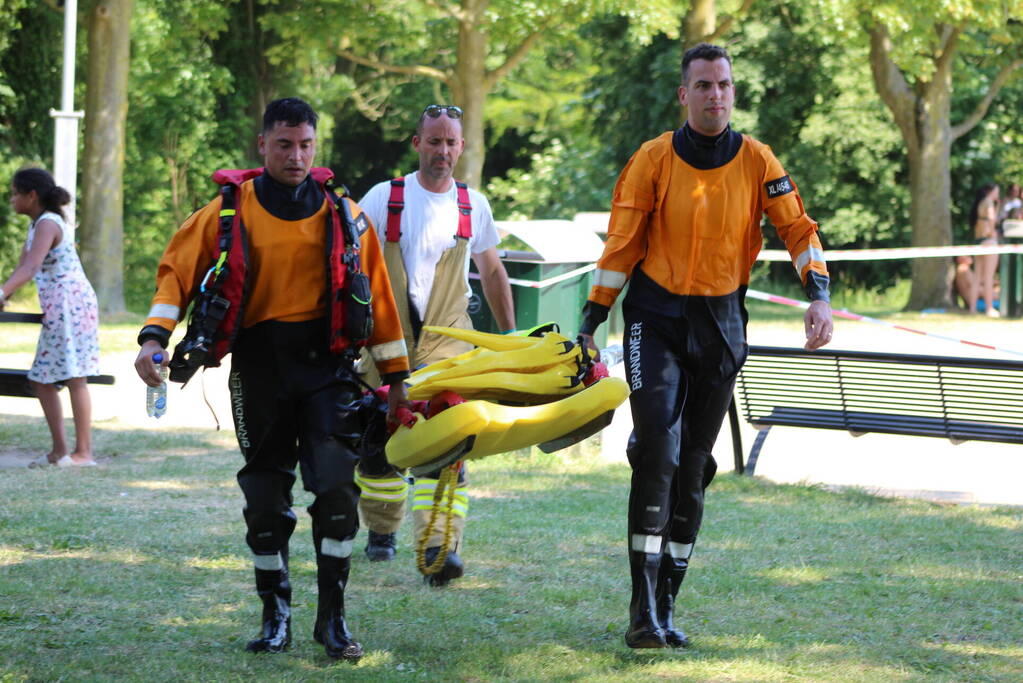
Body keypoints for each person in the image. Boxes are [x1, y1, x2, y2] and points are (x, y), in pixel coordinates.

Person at [133, 98, 411, 661]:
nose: (296, 155)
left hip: (329, 370)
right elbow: (176, 273)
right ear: (263, 145)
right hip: (259, 368)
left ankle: (332, 620)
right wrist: (153, 338)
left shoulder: (344, 213)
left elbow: (379, 294)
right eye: (284, 144)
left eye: (306, 144)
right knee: (264, 496)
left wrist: (398, 377)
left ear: (316, 145)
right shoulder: (228, 212)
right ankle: (274, 612)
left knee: (336, 491)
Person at [577, 43, 833, 649]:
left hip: (722, 323)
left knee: (692, 468)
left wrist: (818, 293)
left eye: (724, 84)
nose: (715, 94)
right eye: (703, 85)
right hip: (655, 318)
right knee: (658, 453)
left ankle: (667, 602)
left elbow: (799, 228)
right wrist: (591, 321)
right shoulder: (654, 158)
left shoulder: (759, 160)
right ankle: (642, 612)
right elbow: (621, 245)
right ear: (683, 94)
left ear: (733, 92)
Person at [354, 104, 515, 586]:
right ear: (417, 143)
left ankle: (440, 549)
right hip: (388, 339)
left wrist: (508, 341)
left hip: (449, 340)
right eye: (434, 140)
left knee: (448, 445)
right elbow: (350, 262)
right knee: (376, 448)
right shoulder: (385, 198)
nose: (443, 150)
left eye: (451, 142)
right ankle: (382, 530)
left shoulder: (474, 205)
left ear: (461, 147)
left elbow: (491, 272)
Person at [1, 168, 99, 468]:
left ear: (32, 196)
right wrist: (6, 295)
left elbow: (31, 269)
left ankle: (83, 453)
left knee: (75, 377)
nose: (12, 199)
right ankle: (59, 452)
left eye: (16, 193)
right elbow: (23, 267)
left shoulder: (47, 223)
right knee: (42, 379)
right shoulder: (36, 225)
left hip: (70, 305)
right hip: (58, 307)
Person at [970, 182, 1000, 317]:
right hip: (989, 241)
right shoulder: (988, 203)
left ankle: (972, 309)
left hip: (979, 241)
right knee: (988, 276)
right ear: (991, 192)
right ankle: (989, 308)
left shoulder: (979, 203)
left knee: (977, 277)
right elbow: (992, 221)